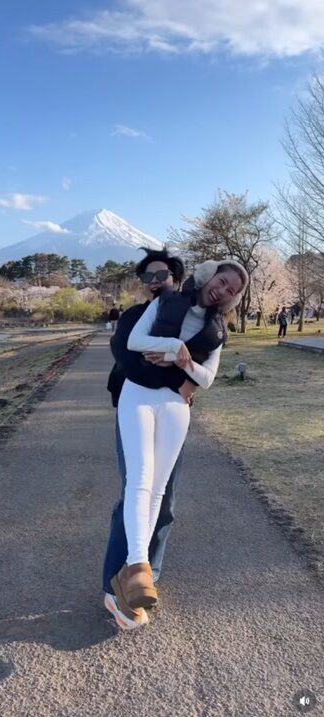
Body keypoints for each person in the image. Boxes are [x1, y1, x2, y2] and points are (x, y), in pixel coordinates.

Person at [106, 258, 249, 630]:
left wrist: (179, 359)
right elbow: (134, 342)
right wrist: (173, 345)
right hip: (138, 396)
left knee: (159, 490)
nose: (223, 290)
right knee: (139, 479)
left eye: (232, 290)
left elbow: (207, 377)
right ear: (209, 275)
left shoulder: (217, 329)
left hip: (176, 406)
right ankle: (135, 568)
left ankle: (138, 578)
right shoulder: (164, 302)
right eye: (222, 280)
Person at [103, 248, 186, 630]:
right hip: (134, 412)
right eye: (148, 277)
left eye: (162, 275)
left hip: (173, 416)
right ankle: (114, 583)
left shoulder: (189, 317)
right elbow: (126, 359)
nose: (155, 282)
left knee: (165, 499)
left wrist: (180, 368)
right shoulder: (133, 316)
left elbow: (202, 363)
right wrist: (172, 367)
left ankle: (148, 577)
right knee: (134, 491)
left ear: (176, 278)